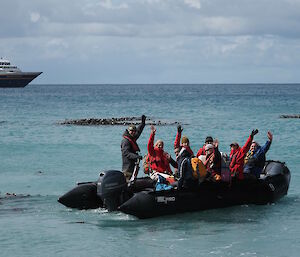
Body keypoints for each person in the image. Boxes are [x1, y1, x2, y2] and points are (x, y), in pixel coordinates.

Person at [121, 115, 146, 181]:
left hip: (133, 164)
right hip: (127, 166)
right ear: (128, 131)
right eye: (131, 131)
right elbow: (126, 153)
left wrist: (142, 123)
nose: (133, 132)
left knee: (132, 179)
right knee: (127, 179)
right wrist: (136, 156)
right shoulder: (125, 141)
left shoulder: (132, 138)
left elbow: (139, 131)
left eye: (134, 131)